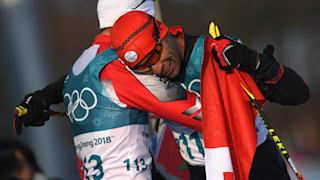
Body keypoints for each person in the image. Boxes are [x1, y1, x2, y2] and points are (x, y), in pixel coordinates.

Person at [109, 11, 310, 179]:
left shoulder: (217, 51)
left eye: (154, 55)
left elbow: (299, 93)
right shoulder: (145, 80)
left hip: (252, 163)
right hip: (201, 170)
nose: (157, 68)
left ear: (162, 31)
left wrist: (256, 63)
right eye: (144, 67)